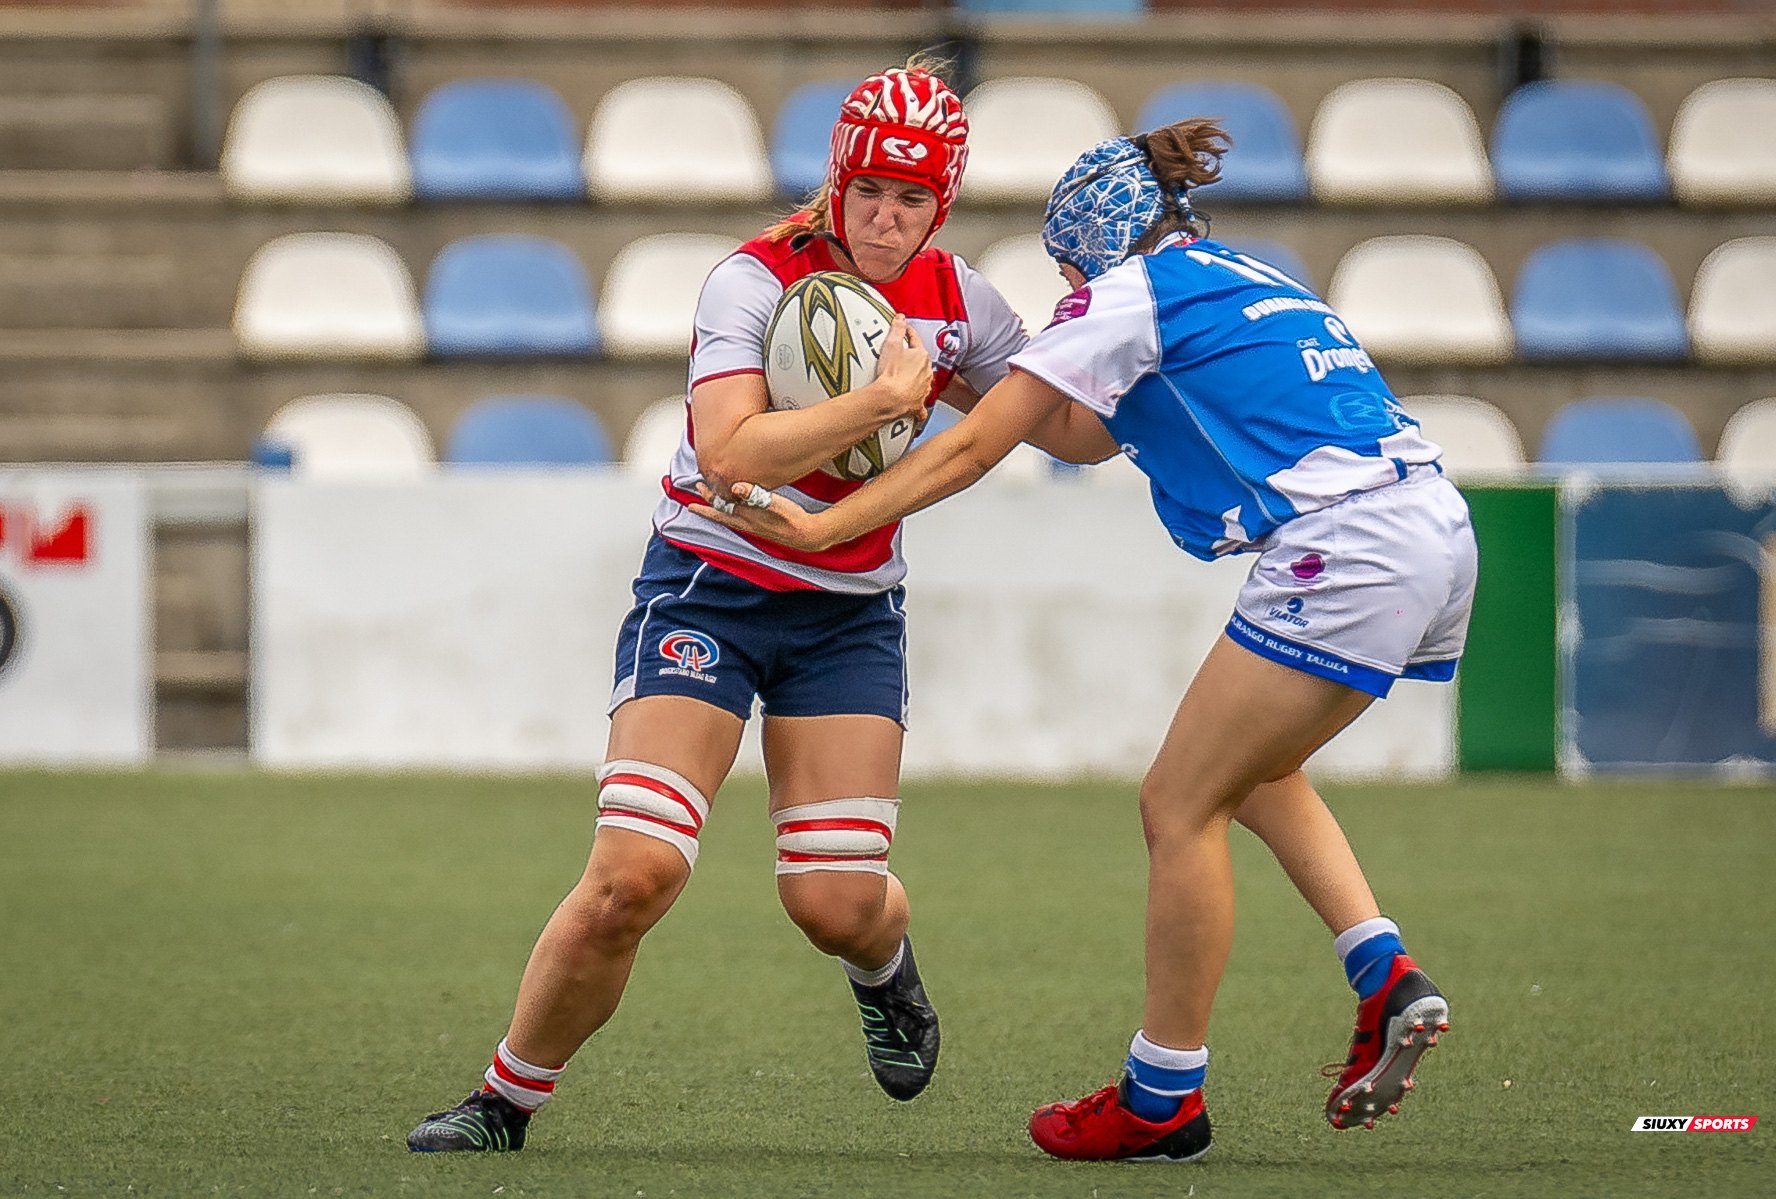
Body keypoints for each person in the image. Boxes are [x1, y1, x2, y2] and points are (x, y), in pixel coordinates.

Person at [695, 119, 1475, 1164]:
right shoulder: (1247, 274)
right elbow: (1085, 428)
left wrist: (827, 525)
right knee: (1254, 770)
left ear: (1092, 249)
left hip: (1347, 546)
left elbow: (977, 448)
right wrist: (956, 369)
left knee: (1178, 804)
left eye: (1066, 270)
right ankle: (1383, 971)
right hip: (1436, 524)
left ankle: (1162, 1094)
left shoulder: (1126, 294)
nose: (1066, 291)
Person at [404, 62, 1078, 1153]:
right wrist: (883, 399)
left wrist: (1126, 328)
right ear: (838, 180)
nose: (885, 217)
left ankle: (886, 966)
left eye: (911, 199)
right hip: (708, 589)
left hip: (848, 617)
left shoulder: (961, 302)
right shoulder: (753, 279)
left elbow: (1072, 430)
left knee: (834, 902)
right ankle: (502, 1101)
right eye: (868, 190)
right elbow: (728, 451)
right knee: (634, 875)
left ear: (942, 205)